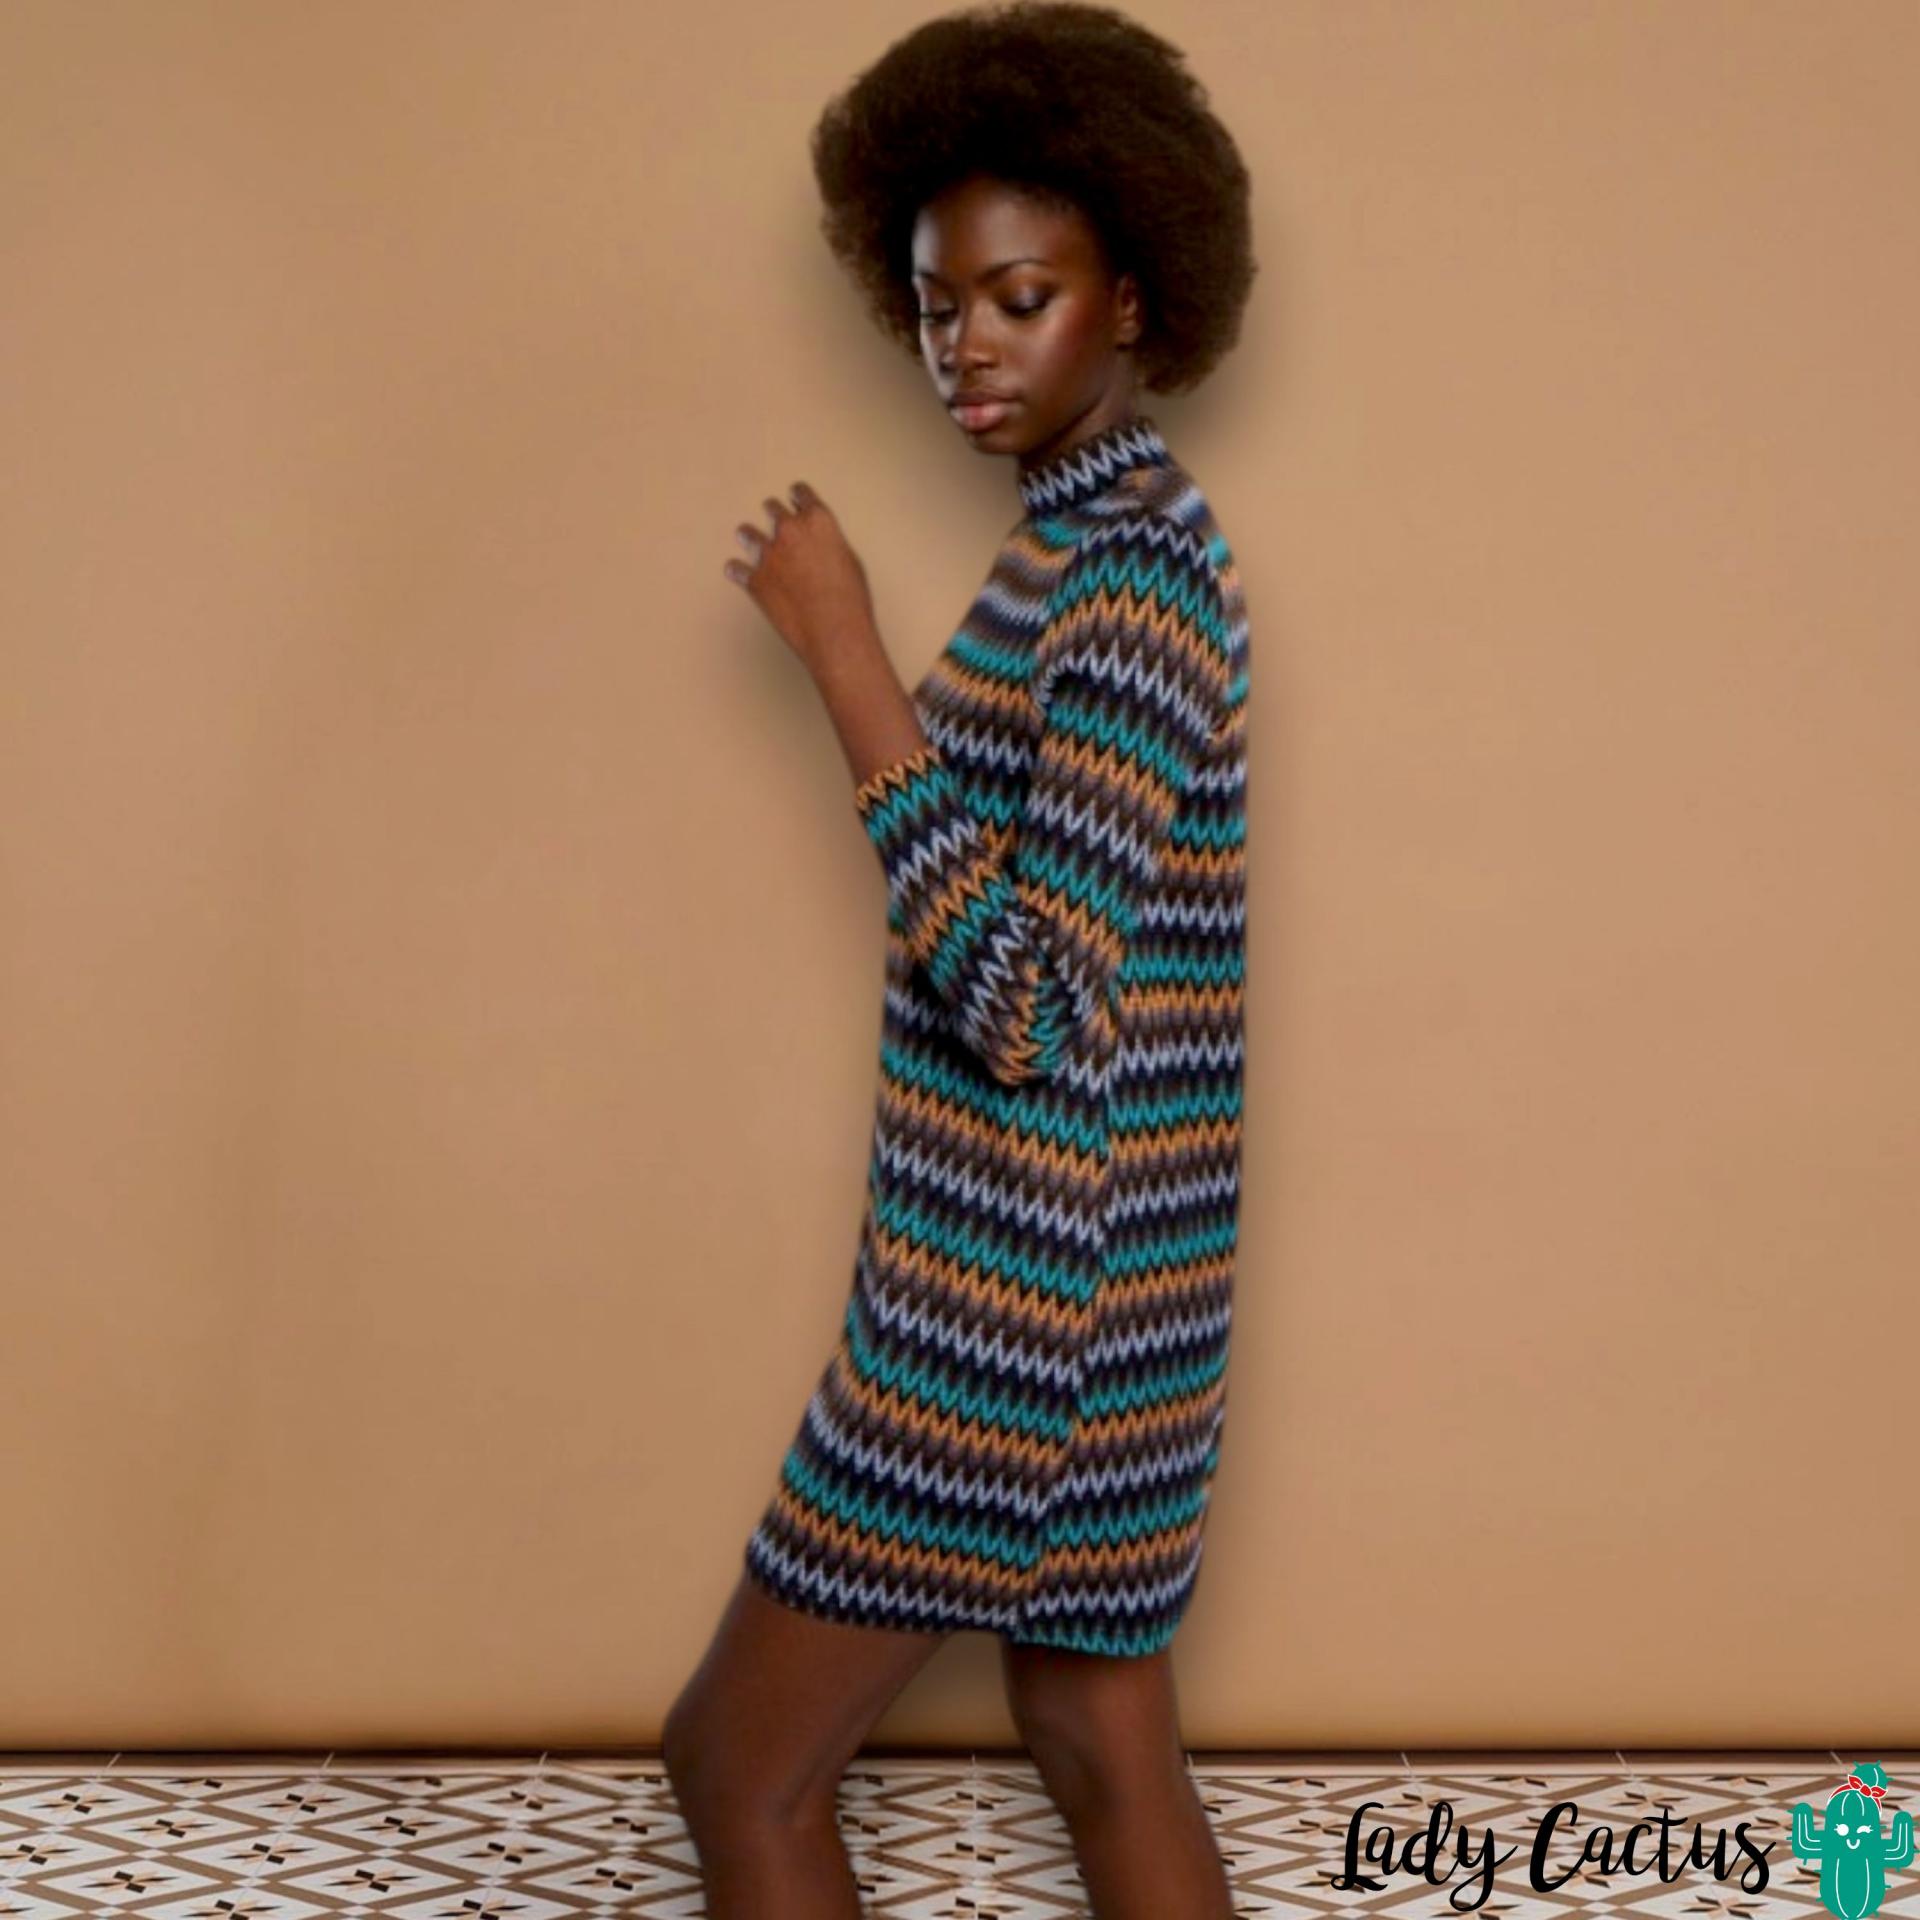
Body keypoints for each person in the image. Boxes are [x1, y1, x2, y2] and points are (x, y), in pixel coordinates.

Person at [667, 4, 1257, 1914]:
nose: (968, 348)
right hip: (1111, 1303)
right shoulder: (1085, 547)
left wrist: (845, 656)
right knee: (1096, 1734)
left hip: (1013, 1319)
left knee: (740, 1765)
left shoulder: (1135, 577)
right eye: (936, 309)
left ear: (1133, 298)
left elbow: (1029, 1005)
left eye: (1019, 299)